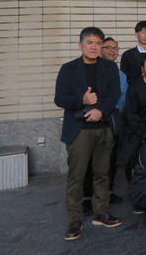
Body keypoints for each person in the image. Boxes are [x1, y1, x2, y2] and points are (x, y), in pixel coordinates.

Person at [55, 27, 122, 241]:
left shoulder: (109, 67)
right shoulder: (68, 69)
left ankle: (100, 212)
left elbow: (114, 94)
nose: (94, 47)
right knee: (77, 176)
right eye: (90, 42)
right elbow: (59, 98)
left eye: (98, 43)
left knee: (102, 173)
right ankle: (75, 218)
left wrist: (100, 110)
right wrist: (81, 101)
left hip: (103, 127)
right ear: (80, 45)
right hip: (79, 131)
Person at [82, 37, 128, 212]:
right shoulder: (93, 70)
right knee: (90, 160)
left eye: (115, 48)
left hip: (114, 121)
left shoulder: (122, 75)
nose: (112, 50)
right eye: (108, 47)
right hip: (94, 120)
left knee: (112, 158)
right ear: (101, 50)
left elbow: (122, 100)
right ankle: (87, 197)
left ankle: (109, 191)